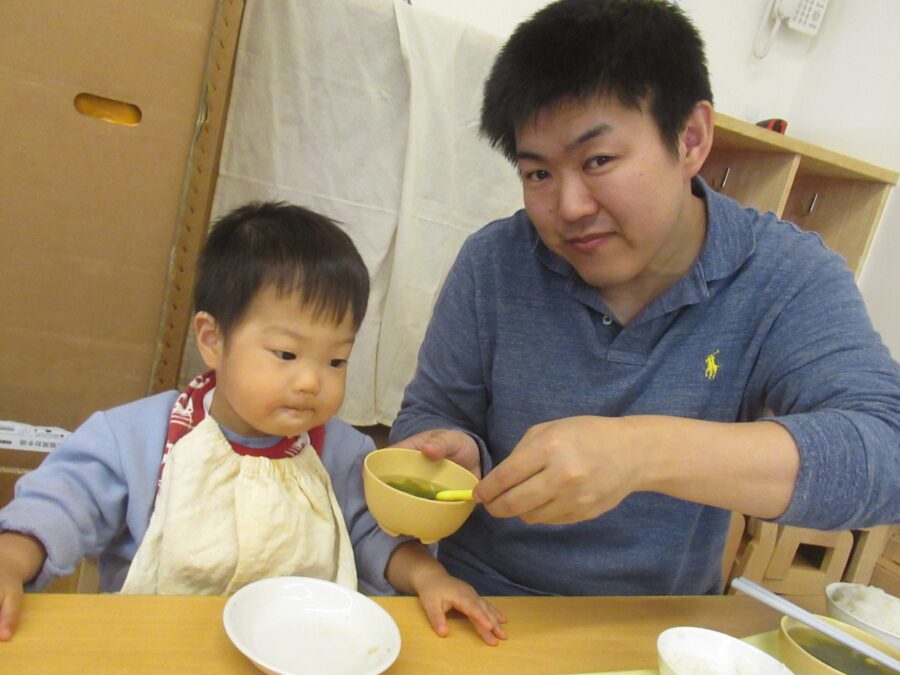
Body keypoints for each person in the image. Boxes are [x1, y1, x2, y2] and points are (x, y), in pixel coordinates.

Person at [390, 0, 900, 597]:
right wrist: (450, 449)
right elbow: (432, 413)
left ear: (691, 139)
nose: (569, 207)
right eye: (538, 174)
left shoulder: (783, 275)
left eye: (598, 160)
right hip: (475, 598)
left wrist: (642, 451)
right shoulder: (494, 263)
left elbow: (886, 450)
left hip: (655, 619)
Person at [0, 201, 506, 644]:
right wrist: (10, 560)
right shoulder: (135, 438)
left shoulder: (343, 453)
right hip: (156, 649)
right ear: (212, 340)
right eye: (286, 353)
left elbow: (376, 538)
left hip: (302, 650)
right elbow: (62, 506)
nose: (311, 381)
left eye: (336, 360)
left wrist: (429, 577)